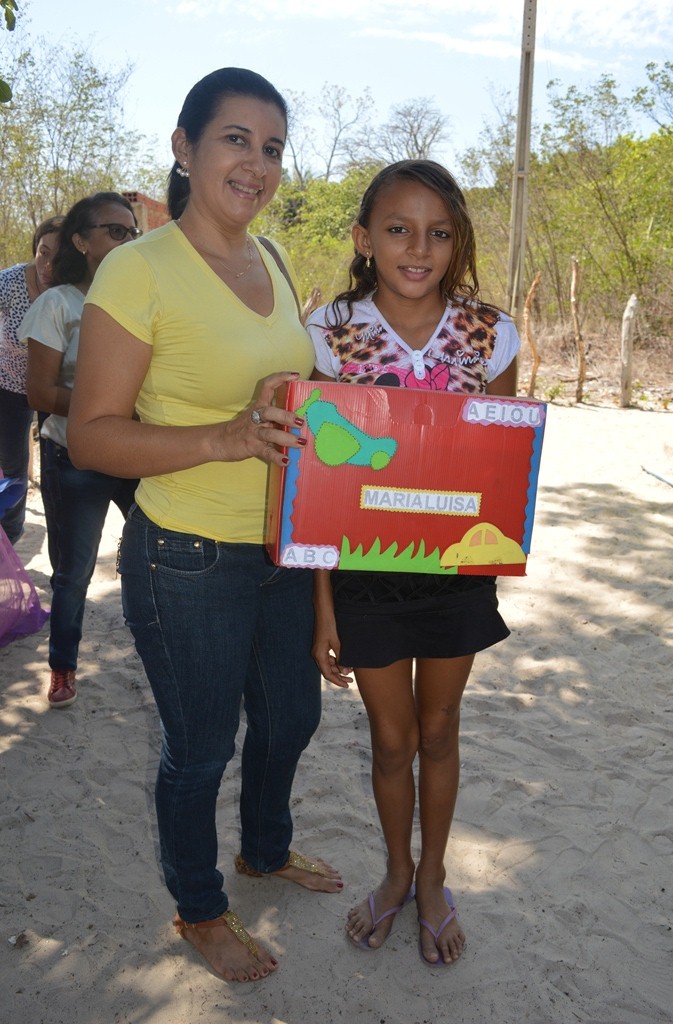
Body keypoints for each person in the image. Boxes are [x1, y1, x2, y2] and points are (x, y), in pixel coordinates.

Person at [67, 68, 343, 985]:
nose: (255, 164)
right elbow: (94, 434)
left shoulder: (269, 259)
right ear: (184, 149)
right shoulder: (134, 269)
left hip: (280, 546)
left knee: (291, 718)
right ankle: (198, 907)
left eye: (271, 147)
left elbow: (286, 395)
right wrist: (225, 435)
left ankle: (264, 849)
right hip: (185, 555)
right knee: (200, 747)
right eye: (234, 139)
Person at [306, 160, 520, 966]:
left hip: (458, 569)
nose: (417, 247)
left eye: (437, 232)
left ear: (457, 241)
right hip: (362, 575)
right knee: (390, 739)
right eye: (397, 228)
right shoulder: (327, 330)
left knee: (440, 728)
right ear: (365, 238)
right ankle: (395, 870)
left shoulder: (491, 332)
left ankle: (433, 876)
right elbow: (319, 483)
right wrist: (322, 604)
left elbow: (500, 462)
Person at [20, 193, 141, 708]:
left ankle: (162, 655)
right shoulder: (58, 304)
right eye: (115, 231)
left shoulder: (144, 304)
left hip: (139, 454)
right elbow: (40, 394)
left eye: (133, 233)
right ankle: (63, 666)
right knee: (75, 570)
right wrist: (106, 406)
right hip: (75, 456)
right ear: (80, 241)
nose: (127, 242)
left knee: (155, 557)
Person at [0, 216, 64, 543]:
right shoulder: (8, 284)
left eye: (58, 255)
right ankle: (10, 542)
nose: (48, 264)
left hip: (54, 392)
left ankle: (61, 543)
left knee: (56, 474)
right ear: (34, 249)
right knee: (13, 472)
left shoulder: (74, 290)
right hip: (9, 388)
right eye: (43, 252)